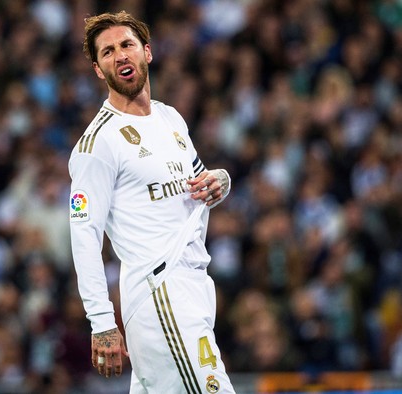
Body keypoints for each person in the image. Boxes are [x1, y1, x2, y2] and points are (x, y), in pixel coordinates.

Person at [68, 11, 236, 393]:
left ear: (147, 52)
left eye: (126, 45)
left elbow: (198, 183)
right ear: (98, 70)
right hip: (160, 290)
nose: (120, 56)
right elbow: (84, 234)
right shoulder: (98, 145)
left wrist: (221, 181)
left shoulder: (170, 118)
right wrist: (102, 321)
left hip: (194, 285)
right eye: (107, 52)